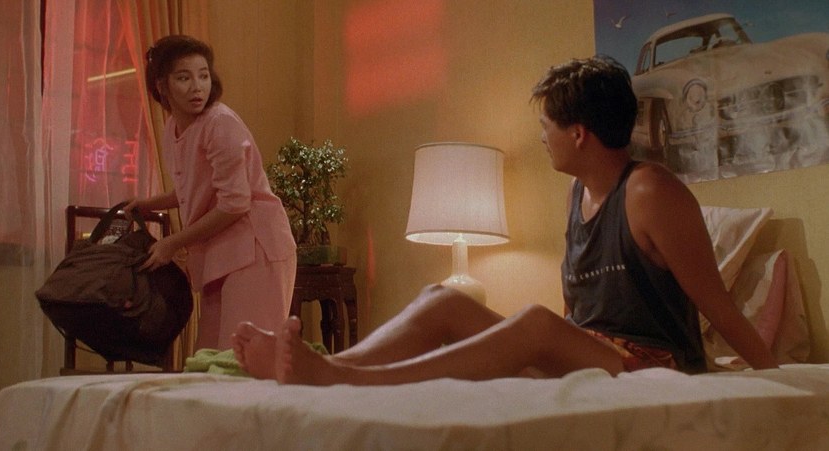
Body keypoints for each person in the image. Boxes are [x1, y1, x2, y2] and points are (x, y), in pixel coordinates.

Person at [231, 56, 778, 385]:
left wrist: (780, 380)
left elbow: (718, 307)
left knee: (536, 322)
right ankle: (330, 365)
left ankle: (351, 381)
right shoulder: (577, 193)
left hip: (654, 367)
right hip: (592, 354)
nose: (542, 137)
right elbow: (580, 315)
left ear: (578, 133)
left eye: (547, 125)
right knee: (441, 299)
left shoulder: (650, 190)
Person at [123, 35, 296, 351]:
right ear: (162, 86)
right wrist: (148, 203)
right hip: (220, 251)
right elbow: (193, 188)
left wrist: (173, 242)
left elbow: (234, 203)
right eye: (184, 78)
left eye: (203, 76)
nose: (197, 87)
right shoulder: (173, 128)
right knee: (210, 357)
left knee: (244, 357)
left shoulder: (220, 124)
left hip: (256, 248)